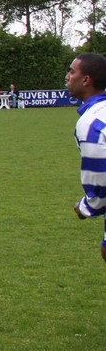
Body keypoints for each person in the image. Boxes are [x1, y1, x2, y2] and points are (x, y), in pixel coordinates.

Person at [67, 53, 106, 263]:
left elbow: (100, 174)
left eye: (72, 71)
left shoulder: (90, 122)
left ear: (86, 80)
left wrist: (86, 207)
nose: (67, 76)